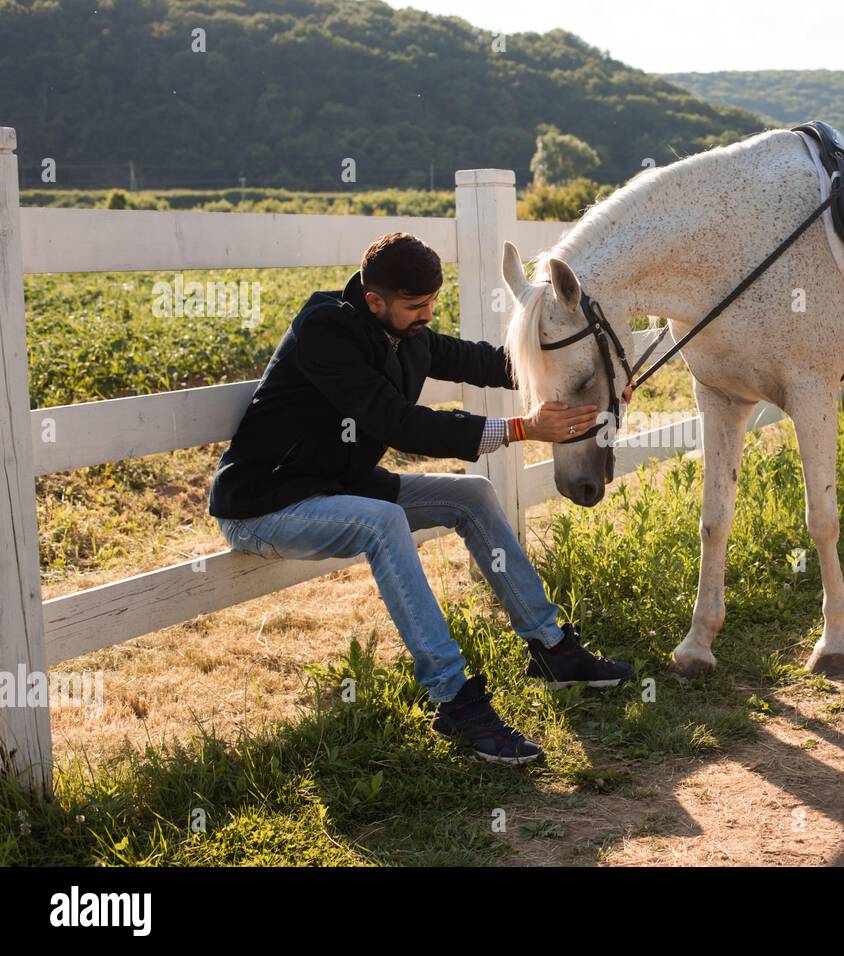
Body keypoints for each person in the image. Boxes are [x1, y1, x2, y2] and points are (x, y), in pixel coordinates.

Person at [208, 232, 634, 765]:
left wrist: (599, 380)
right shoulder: (325, 332)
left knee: (473, 495)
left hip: (341, 489)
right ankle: (455, 700)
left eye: (433, 303)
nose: (427, 316)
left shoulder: (406, 330)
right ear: (374, 301)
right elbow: (399, 424)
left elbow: (494, 362)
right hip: (265, 506)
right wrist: (523, 428)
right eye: (416, 306)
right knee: (382, 523)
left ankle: (553, 651)